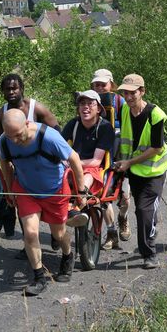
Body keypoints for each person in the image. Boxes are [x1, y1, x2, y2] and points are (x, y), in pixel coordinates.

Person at [0, 109, 86, 296]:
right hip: (26, 190)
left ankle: (68, 255)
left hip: (55, 191)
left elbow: (74, 158)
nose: (14, 140)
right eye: (10, 136)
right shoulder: (4, 141)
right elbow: (4, 163)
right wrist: (9, 189)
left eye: (18, 135)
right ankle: (39, 277)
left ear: (28, 124)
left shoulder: (49, 137)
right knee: (30, 233)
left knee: (59, 233)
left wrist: (82, 191)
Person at [0, 73, 62, 254]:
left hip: (43, 163)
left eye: (15, 88)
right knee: (20, 202)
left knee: (50, 201)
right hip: (20, 165)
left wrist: (61, 155)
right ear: (2, 92)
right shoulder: (1, 115)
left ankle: (56, 234)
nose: (11, 92)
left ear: (22, 89)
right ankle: (28, 243)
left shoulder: (37, 109)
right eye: (7, 89)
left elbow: (57, 130)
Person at [114, 74, 167, 269]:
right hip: (134, 171)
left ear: (142, 92)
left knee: (144, 211)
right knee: (142, 211)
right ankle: (150, 228)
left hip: (154, 171)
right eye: (125, 93)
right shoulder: (123, 110)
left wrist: (129, 162)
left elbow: (156, 148)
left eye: (133, 93)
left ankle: (149, 254)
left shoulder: (156, 115)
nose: (128, 97)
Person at [61, 90, 116, 248]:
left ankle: (76, 206)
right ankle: (56, 219)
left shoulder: (105, 127)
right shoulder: (73, 124)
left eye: (90, 104)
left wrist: (72, 163)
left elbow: (95, 161)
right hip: (72, 166)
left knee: (87, 175)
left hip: (94, 169)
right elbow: (59, 146)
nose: (85, 107)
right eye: (82, 104)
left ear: (98, 108)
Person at [91, 68, 132, 244]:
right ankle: (111, 233)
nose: (100, 87)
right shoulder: (88, 102)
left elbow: (129, 129)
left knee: (124, 197)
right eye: (96, 84)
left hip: (120, 154)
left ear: (111, 85)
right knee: (102, 194)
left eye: (103, 84)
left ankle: (123, 218)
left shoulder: (120, 101)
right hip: (101, 155)